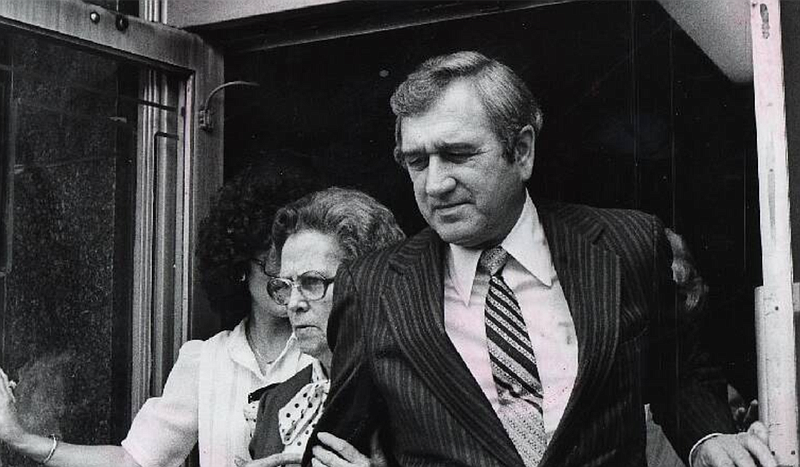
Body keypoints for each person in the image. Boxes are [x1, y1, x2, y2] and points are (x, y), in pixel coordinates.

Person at [305, 52, 776, 467]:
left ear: (523, 151)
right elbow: (336, 444)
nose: (434, 184)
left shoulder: (627, 245)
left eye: (457, 155)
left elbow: (679, 373)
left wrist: (708, 438)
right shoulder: (373, 287)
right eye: (416, 161)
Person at [0, 156, 320, 467]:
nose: (288, 281)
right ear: (239, 265)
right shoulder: (206, 362)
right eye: (273, 263)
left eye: (303, 269)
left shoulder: (327, 352)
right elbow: (134, 462)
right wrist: (21, 438)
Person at [246, 187, 405, 467]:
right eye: (285, 286)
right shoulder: (276, 402)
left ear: (367, 283)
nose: (293, 303)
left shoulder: (415, 392)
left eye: (312, 282)